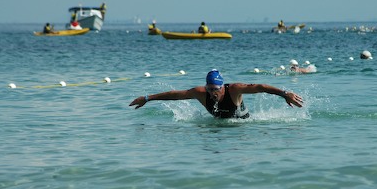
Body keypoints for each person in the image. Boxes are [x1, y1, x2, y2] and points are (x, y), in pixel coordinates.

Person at [129, 69, 303, 119]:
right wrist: (147, 98)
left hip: (241, 126)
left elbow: (260, 86)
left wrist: (284, 93)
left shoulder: (234, 89)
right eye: (210, 89)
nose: (213, 93)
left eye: (216, 89)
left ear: (222, 87)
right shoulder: (200, 92)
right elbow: (175, 95)